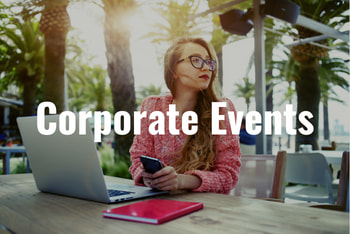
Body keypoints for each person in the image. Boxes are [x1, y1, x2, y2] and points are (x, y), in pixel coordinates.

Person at [129, 37, 241, 194]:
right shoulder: (152, 106)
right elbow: (137, 160)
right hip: (158, 202)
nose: (206, 68)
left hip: (207, 211)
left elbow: (228, 175)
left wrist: (181, 181)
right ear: (173, 70)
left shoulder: (222, 109)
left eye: (209, 62)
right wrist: (146, 176)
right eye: (196, 60)